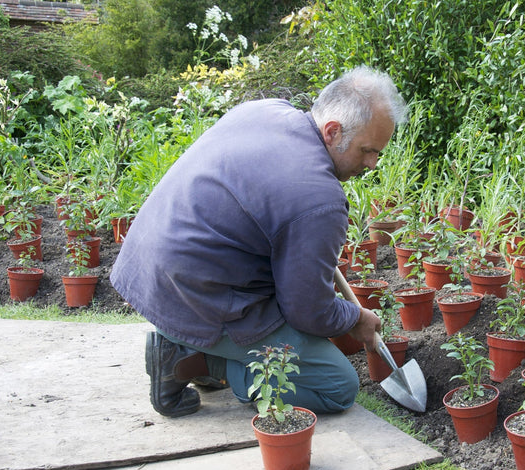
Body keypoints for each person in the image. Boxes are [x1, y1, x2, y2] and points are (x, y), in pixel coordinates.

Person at [110, 66, 408, 418]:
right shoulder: (319, 199)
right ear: (332, 131)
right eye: (367, 150)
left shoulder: (264, 110)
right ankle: (190, 361)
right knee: (336, 385)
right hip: (195, 294)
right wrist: (353, 317)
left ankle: (188, 342)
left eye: (379, 153)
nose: (372, 164)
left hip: (149, 268)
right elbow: (309, 311)